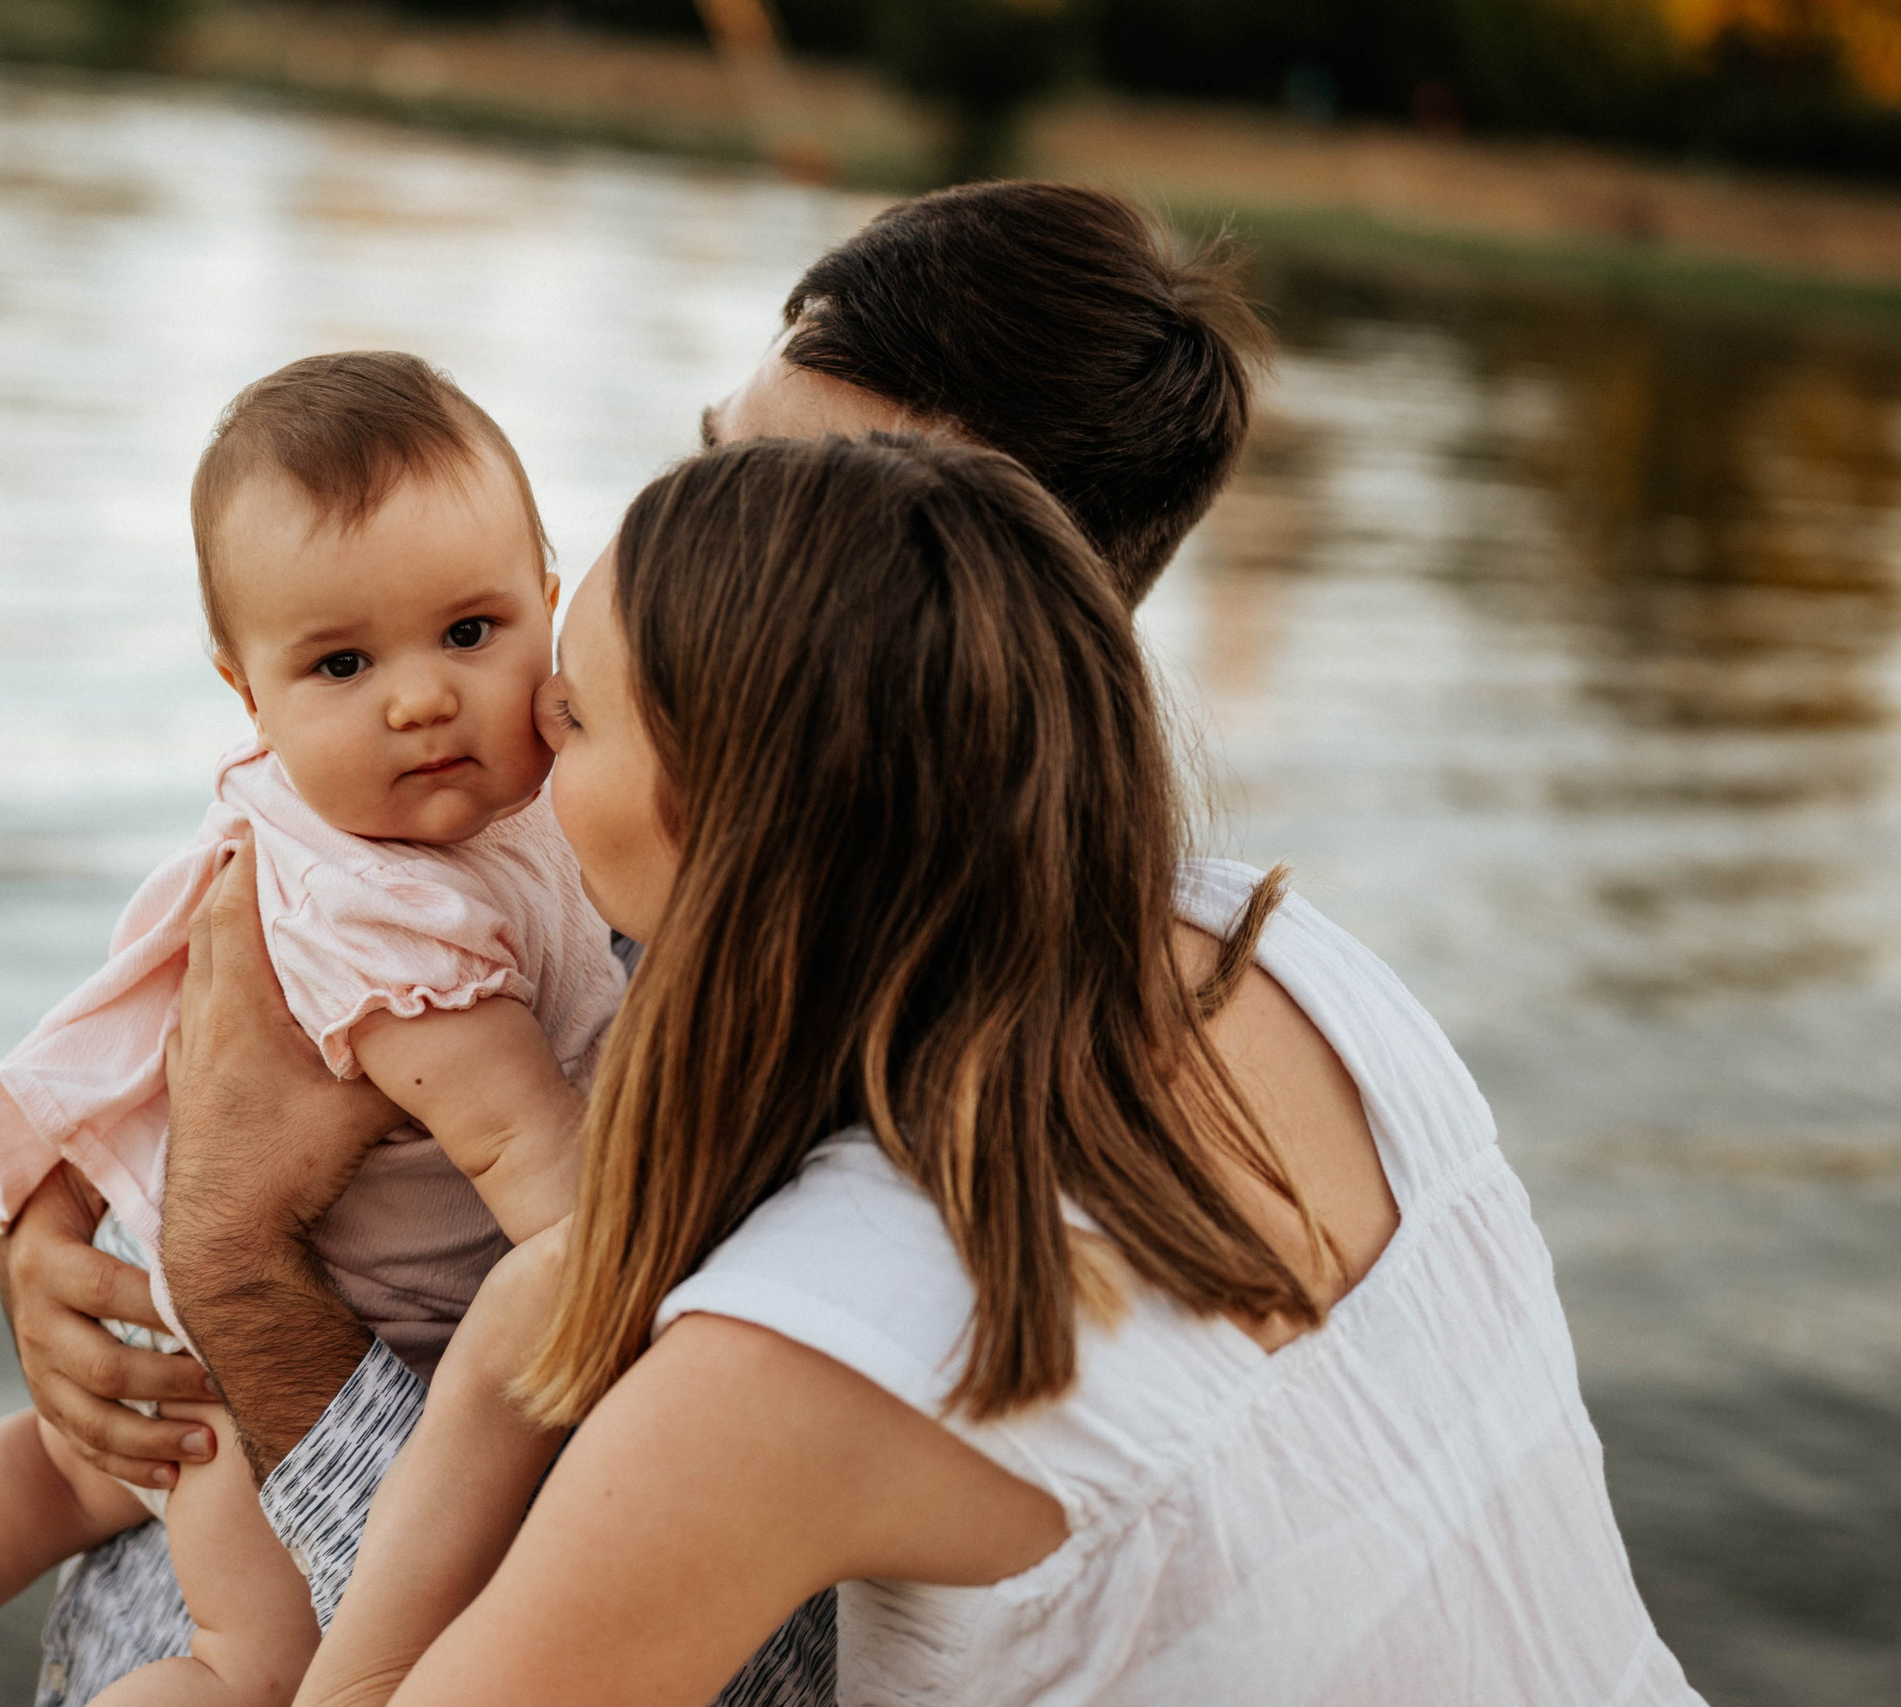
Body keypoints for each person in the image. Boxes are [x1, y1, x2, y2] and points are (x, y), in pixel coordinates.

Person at [2, 180, 1269, 1705]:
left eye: (779, 517)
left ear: (961, 612)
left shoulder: (905, 1146)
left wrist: (240, 1280)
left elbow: (628, 1661)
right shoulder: (589, 785)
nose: (676, 546)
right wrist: (62, 1233)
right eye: (716, 464)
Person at [288, 432, 1706, 1706]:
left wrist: (483, 1370)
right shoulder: (1286, 958)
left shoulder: (806, 1345)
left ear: (735, 813)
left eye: (577, 716)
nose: (526, 728)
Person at [0, 352, 623, 1707]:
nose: (418, 697)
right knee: (252, 1665)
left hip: (192, 1307)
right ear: (248, 699)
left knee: (67, 1468)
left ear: (550, 614)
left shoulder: (513, 808)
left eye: (471, 632)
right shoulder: (377, 904)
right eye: (342, 662)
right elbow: (533, 1163)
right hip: (264, 1370)